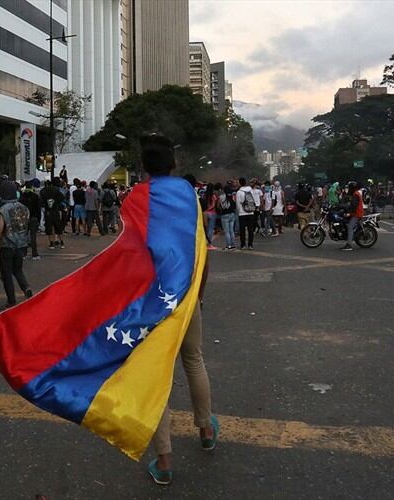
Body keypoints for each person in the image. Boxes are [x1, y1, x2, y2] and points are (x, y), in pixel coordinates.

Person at [139, 135, 217, 486]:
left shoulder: (136, 198)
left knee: (157, 374)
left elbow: (128, 256)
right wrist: (199, 291)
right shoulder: (189, 195)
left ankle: (165, 459)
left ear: (144, 167)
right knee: (194, 359)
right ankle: (205, 429)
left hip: (152, 299)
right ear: (172, 164)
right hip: (185, 294)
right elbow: (202, 246)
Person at [0, 180, 33, 309]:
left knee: (6, 274)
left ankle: (11, 301)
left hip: (7, 246)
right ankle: (27, 288)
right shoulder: (24, 208)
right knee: (18, 270)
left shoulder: (3, 209)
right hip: (21, 245)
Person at [40, 179, 65, 248]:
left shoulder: (43, 191)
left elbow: (41, 201)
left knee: (49, 228)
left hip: (48, 211)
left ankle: (51, 243)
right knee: (58, 227)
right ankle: (62, 242)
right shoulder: (56, 190)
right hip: (55, 210)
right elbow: (62, 197)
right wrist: (56, 202)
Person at [19, 182, 41, 260]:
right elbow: (38, 209)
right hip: (34, 218)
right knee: (33, 236)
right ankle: (34, 254)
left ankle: (23, 254)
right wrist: (39, 219)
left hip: (24, 219)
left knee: (24, 236)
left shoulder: (22, 196)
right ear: (32, 186)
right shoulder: (35, 196)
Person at [235, 177, 259, 250]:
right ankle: (250, 245)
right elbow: (253, 200)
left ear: (240, 183)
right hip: (251, 212)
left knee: (242, 230)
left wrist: (239, 211)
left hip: (242, 213)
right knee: (250, 229)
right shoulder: (250, 190)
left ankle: (243, 245)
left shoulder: (239, 192)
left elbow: (238, 204)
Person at [340, 181, 364, 251]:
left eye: (350, 187)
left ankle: (349, 245)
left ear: (352, 188)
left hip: (357, 214)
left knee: (350, 226)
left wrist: (346, 210)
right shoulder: (355, 194)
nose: (349, 189)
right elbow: (350, 204)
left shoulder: (356, 194)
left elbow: (354, 206)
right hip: (355, 213)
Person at [218, 184, 237, 250]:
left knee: (227, 231)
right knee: (231, 230)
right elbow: (235, 205)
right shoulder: (232, 196)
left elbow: (218, 205)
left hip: (224, 215)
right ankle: (233, 245)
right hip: (232, 214)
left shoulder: (221, 197)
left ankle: (228, 245)